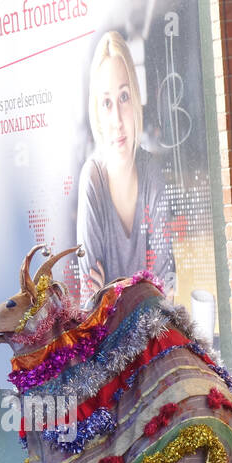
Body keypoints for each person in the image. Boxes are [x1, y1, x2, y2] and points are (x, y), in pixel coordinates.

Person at [76, 30, 174, 306]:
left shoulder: (151, 174)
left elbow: (166, 287)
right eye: (106, 103)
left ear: (136, 101)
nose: (117, 119)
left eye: (124, 97)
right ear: (97, 113)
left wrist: (112, 294)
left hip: (154, 345)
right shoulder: (92, 181)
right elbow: (91, 307)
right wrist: (142, 292)